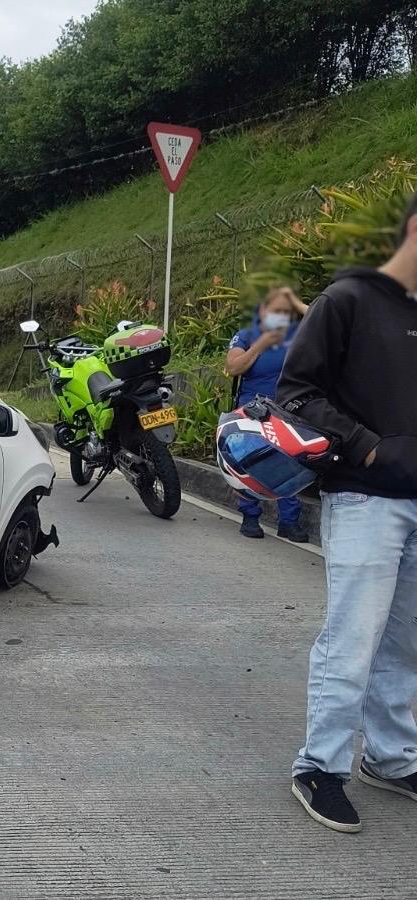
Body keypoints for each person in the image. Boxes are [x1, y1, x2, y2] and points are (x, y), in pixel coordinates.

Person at [276, 190, 417, 834]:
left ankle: (390, 759)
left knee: (405, 644)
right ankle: (320, 765)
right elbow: (296, 396)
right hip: (364, 499)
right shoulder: (348, 302)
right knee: (352, 640)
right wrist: (365, 449)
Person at [225, 286, 310, 542]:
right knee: (250, 463)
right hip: (253, 412)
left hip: (290, 411)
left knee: (291, 466)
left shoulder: (298, 334)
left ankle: (289, 522)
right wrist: (259, 346)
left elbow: (321, 316)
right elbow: (233, 366)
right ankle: (250, 517)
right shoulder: (246, 335)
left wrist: (295, 301)